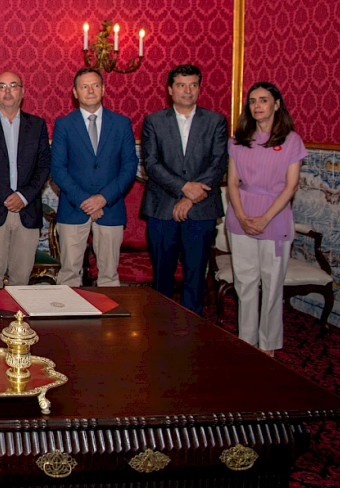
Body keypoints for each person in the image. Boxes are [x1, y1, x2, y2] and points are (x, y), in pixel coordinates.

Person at [225, 82, 306, 356]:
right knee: (245, 282)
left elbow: (291, 186)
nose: (257, 106)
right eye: (252, 101)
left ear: (276, 104)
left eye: (263, 100)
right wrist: (242, 216)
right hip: (241, 216)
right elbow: (233, 183)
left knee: (272, 284)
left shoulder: (291, 140)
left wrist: (264, 219)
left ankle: (268, 345)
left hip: (276, 217)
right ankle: (246, 340)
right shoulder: (237, 141)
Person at [141, 64, 228, 314]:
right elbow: (152, 164)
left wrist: (190, 198)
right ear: (170, 90)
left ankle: (192, 331)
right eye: (181, 85)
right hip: (162, 208)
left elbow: (218, 163)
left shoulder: (216, 121)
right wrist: (183, 188)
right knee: (162, 277)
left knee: (195, 275)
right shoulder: (154, 121)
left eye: (193, 85)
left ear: (200, 88)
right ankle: (161, 327)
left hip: (201, 210)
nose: (187, 91)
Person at [51, 68, 138, 286]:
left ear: (104, 89)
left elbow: (129, 167)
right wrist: (85, 200)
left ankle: (109, 321)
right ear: (75, 92)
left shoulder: (121, 123)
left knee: (109, 276)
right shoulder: (64, 124)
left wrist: (103, 198)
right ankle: (68, 318)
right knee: (69, 274)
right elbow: (58, 169)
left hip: (111, 208)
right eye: (84, 86)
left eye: (95, 85)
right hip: (73, 209)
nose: (90, 91)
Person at [0, 72, 51, 288]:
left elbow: (43, 166)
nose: (7, 91)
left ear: (22, 92)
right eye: (2, 86)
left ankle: (18, 322)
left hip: (27, 209)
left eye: (13, 86)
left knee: (21, 279)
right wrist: (6, 196)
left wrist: (23, 196)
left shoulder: (38, 125)